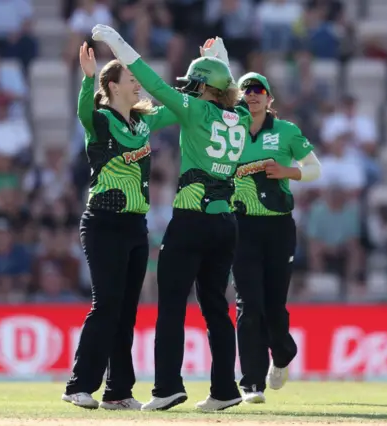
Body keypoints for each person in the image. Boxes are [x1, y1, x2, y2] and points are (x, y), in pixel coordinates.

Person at [91, 25, 249, 412]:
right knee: (216, 308)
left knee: (172, 304)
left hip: (192, 219)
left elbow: (153, 83)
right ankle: (225, 390)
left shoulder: (193, 108)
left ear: (201, 87)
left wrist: (119, 46)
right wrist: (220, 62)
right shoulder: (242, 118)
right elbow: (230, 95)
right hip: (226, 223)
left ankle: (167, 388)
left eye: (194, 84)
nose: (188, 89)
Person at [62, 42, 177, 410]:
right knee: (107, 303)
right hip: (103, 222)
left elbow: (175, 107)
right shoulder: (100, 120)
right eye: (132, 77)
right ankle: (79, 384)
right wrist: (87, 78)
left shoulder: (143, 122)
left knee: (127, 308)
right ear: (113, 85)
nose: (138, 83)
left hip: (134, 225)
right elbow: (83, 111)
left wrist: (200, 86)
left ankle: (118, 391)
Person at [231, 71, 321, 403]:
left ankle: (282, 355)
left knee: (273, 305)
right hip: (241, 225)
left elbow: (315, 169)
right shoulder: (230, 129)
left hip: (278, 227)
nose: (252, 95)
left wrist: (288, 172)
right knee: (248, 303)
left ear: (269, 98)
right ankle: (252, 383)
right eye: (246, 90)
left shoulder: (287, 132)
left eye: (258, 90)